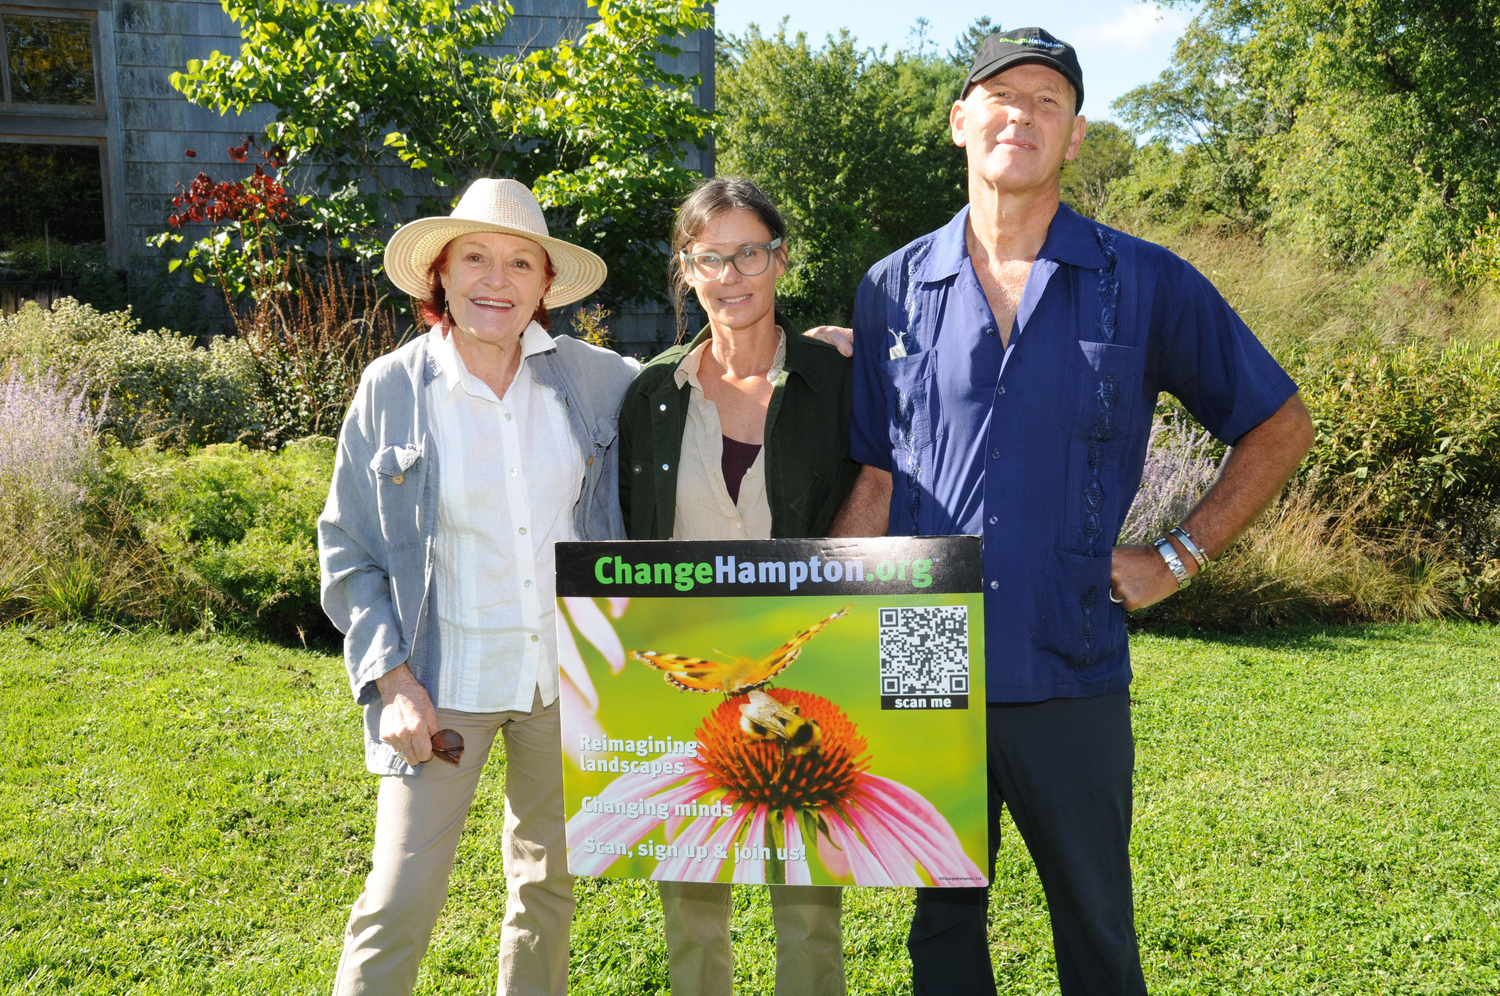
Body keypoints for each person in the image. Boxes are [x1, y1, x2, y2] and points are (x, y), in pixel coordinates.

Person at [829, 27, 1316, 996]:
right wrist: (818, 618)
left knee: (1095, 923)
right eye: (1000, 95)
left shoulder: (1146, 281)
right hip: (927, 650)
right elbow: (879, 476)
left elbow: (1279, 424)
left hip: (1072, 653)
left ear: (1077, 136)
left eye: (1049, 101)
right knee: (941, 924)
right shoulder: (890, 289)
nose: (1023, 114)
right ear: (961, 120)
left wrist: (1177, 557)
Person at [317, 177, 636, 996]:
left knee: (546, 890)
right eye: (477, 259)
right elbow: (347, 549)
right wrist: (392, 683)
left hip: (562, 681)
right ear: (443, 277)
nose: (497, 280)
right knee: (398, 900)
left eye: (519, 263)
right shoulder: (392, 388)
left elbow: (700, 381)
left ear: (543, 286)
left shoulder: (595, 379)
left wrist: (792, 346)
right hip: (439, 684)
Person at [617, 177, 861, 996]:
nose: (732, 275)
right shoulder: (651, 393)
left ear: (781, 260)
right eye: (709, 258)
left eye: (749, 252)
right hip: (680, 667)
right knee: (689, 890)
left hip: (806, 660)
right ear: (686, 271)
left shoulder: (836, 378)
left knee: (807, 893)